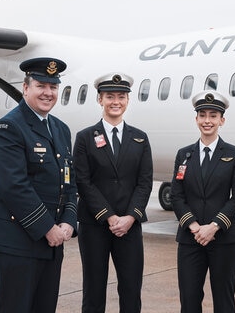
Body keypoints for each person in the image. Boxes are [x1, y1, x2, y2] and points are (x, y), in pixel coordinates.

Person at [0, 57, 77, 313]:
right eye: (41, 85)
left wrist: (68, 221)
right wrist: (48, 228)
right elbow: (14, 186)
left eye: (53, 87)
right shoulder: (9, 127)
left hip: (51, 242)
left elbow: (68, 182)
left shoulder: (61, 129)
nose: (48, 93)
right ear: (25, 88)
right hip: (16, 242)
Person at [73, 73, 153, 313]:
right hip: (95, 224)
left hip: (130, 225)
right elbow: (83, 181)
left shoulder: (140, 138)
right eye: (109, 96)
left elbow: (145, 182)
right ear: (100, 99)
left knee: (130, 289)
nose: (115, 101)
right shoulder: (85, 138)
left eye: (121, 96)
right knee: (94, 289)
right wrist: (109, 216)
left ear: (128, 100)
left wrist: (130, 217)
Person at [170, 91, 235, 313]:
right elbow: (177, 195)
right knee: (189, 300)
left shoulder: (234, 154)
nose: (207, 121)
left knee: (224, 301)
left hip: (224, 239)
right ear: (196, 119)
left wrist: (213, 227)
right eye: (202, 115)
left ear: (222, 120)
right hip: (190, 239)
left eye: (213, 116)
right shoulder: (184, 155)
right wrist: (195, 227)